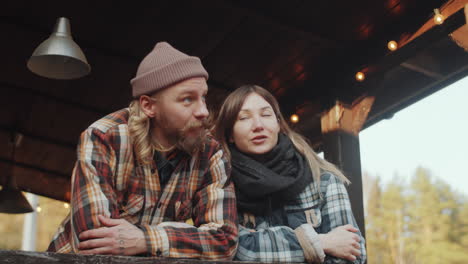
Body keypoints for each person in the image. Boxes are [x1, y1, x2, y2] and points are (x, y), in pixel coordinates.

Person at [47, 42, 238, 260]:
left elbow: (224, 242)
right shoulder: (104, 137)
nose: (203, 111)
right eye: (187, 99)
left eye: (203, 97)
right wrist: (181, 239)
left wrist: (146, 240)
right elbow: (96, 239)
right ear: (148, 106)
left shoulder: (211, 151)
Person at [214, 85, 366, 263]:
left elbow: (354, 254)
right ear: (230, 134)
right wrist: (320, 242)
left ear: (278, 123)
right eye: (244, 118)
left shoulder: (323, 181)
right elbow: (233, 250)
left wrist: (260, 244)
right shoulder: (221, 187)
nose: (258, 125)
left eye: (265, 114)